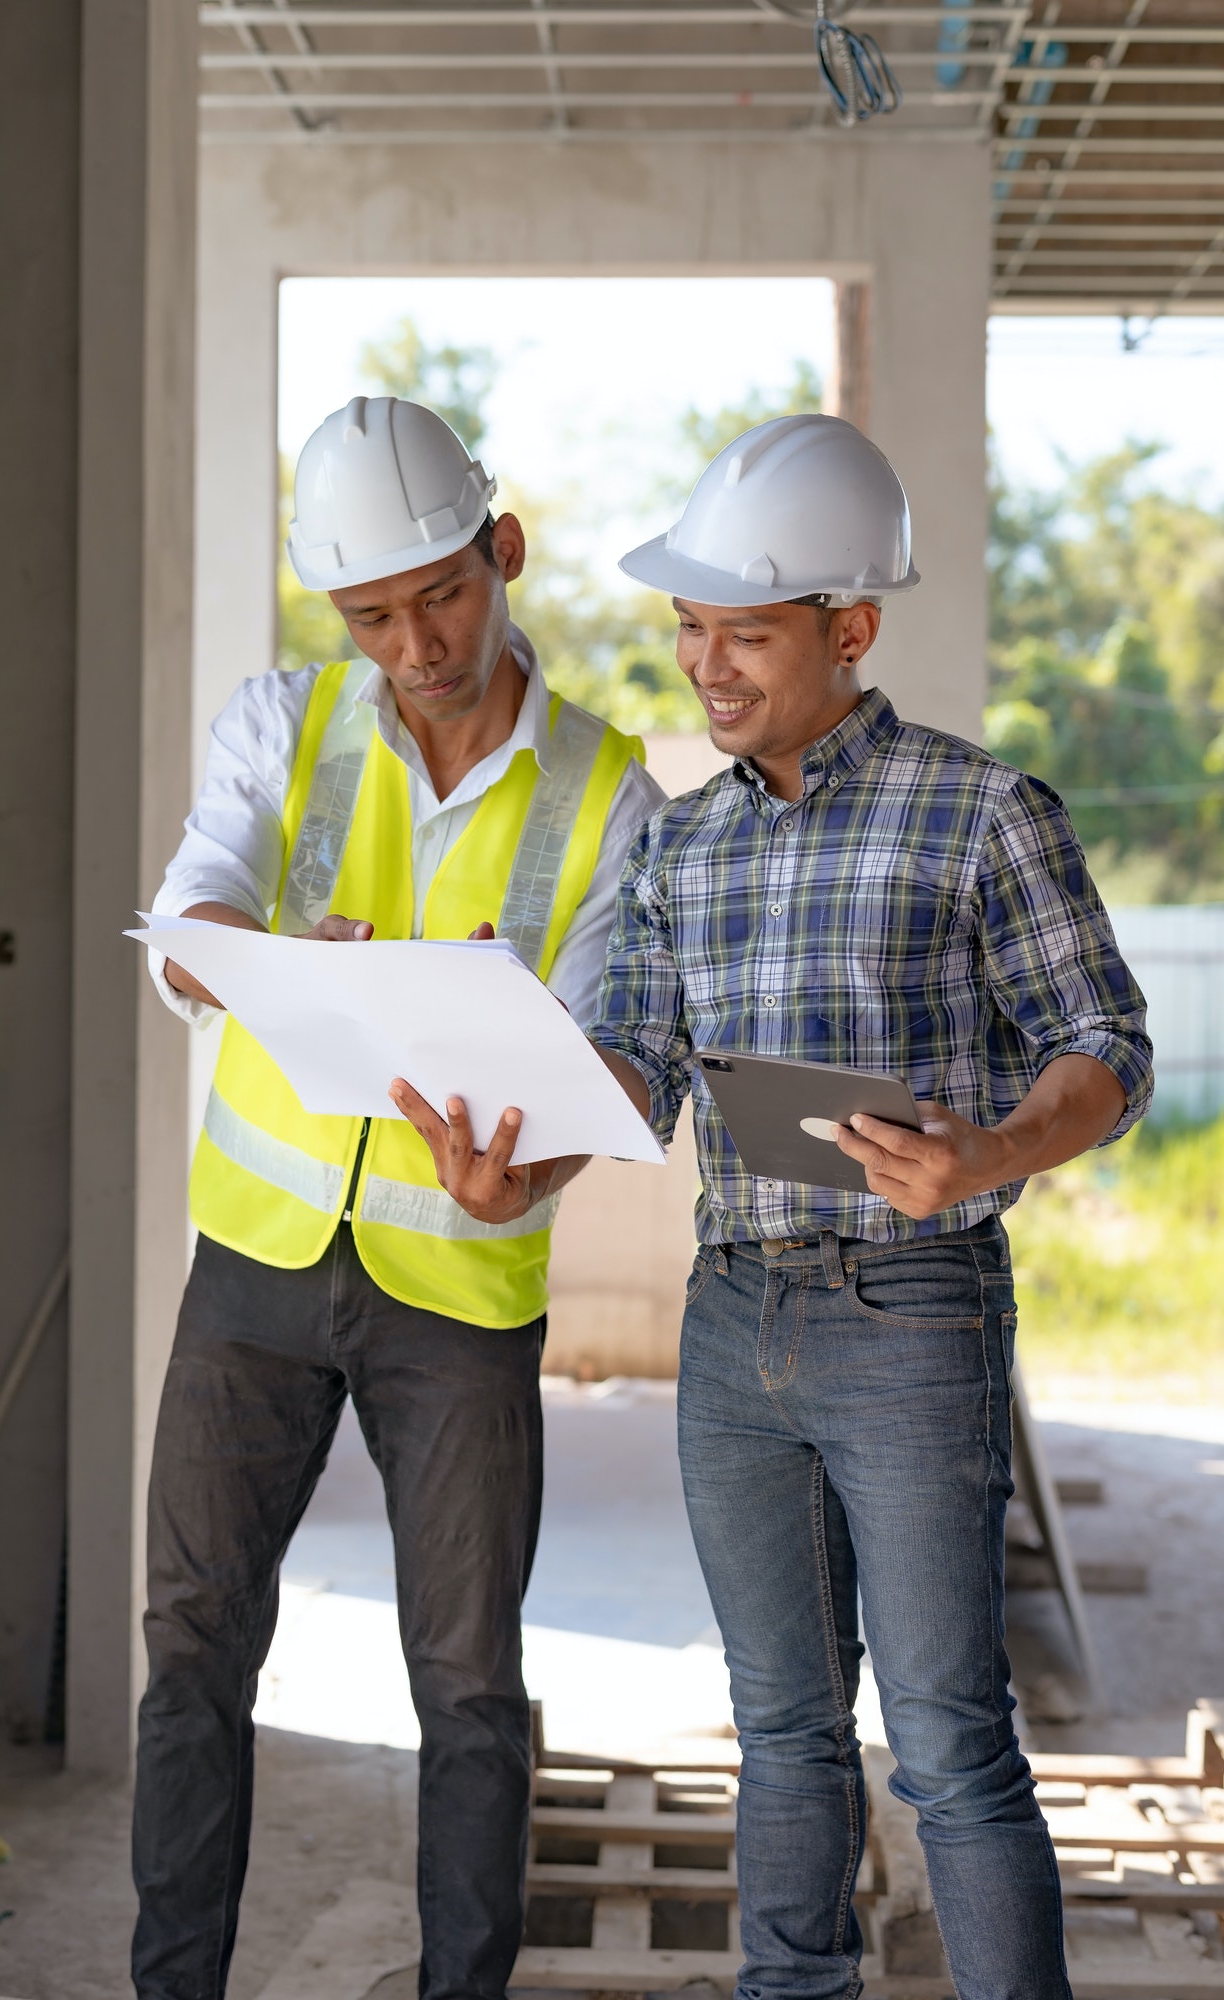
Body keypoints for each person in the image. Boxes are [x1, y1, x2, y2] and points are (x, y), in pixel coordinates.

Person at [393, 414, 1153, 2000]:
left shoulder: (981, 812)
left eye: (743, 631)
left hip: (913, 1318)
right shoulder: (682, 841)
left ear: (849, 629)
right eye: (688, 627)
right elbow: (642, 1070)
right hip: (735, 1322)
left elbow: (1105, 1048)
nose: (704, 664)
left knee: (947, 1736)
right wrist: (514, 1159)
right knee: (780, 1729)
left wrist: (987, 1153)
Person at [132, 394, 664, 2000]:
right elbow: (190, 910)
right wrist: (251, 958)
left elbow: (605, 1047)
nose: (415, 641)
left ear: (500, 550)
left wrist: (536, 1172)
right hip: (257, 1269)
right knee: (193, 1656)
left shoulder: (610, 789)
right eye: (372, 614)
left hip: (462, 1294)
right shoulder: (282, 726)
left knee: (469, 1689)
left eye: (441, 592)